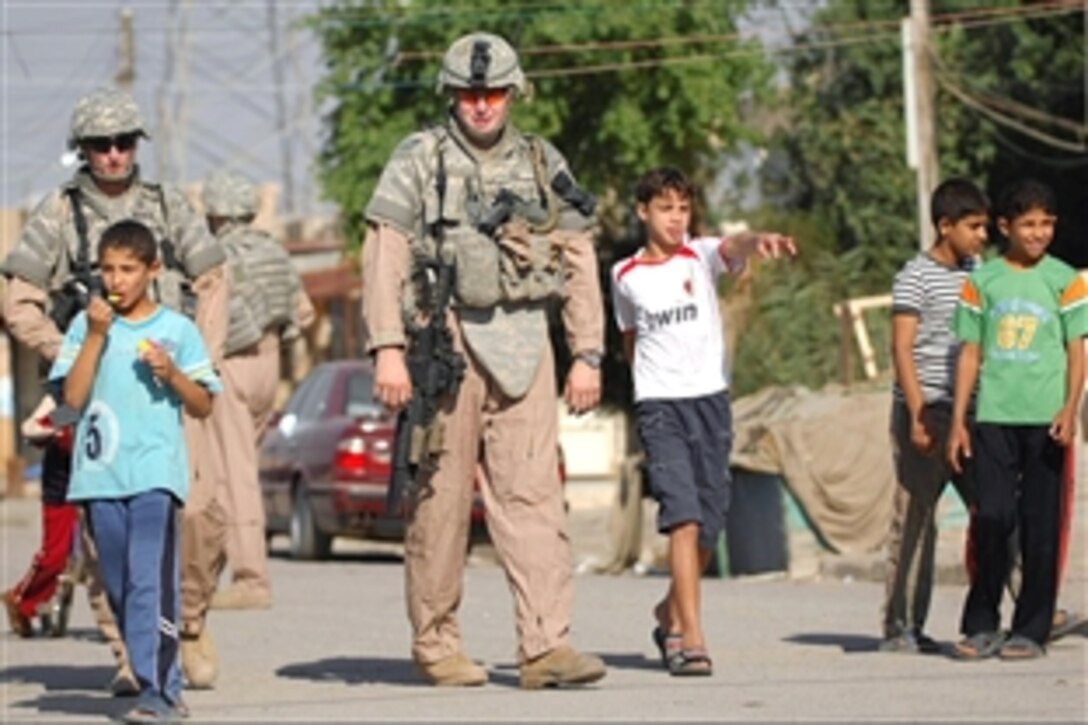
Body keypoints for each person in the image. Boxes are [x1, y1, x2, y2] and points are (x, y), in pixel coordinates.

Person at [362, 32, 607, 688]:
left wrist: (587, 351)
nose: (481, 105)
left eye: (493, 91)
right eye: (470, 93)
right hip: (445, 342)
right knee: (440, 500)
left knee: (533, 497)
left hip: (527, 339)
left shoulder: (541, 160)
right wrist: (388, 346)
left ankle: (546, 645)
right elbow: (385, 251)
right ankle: (438, 644)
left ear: (513, 93)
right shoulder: (419, 158)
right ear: (452, 95)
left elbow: (579, 255)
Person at [0, 86, 228, 692]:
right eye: (101, 145)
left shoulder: (168, 205)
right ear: (84, 150)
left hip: (170, 382)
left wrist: (197, 354)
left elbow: (213, 277)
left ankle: (189, 621)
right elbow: (18, 300)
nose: (113, 155)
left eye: (124, 142)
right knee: (107, 533)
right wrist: (71, 352)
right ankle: (131, 652)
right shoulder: (59, 214)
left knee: (204, 515)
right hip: (99, 395)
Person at [610, 167, 795, 676]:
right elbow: (631, 339)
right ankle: (690, 636)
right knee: (683, 517)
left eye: (683, 208)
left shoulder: (701, 254)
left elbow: (735, 245)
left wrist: (761, 241)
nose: (675, 218)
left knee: (710, 523)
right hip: (660, 407)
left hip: (710, 403)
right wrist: (650, 389)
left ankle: (668, 609)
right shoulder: (624, 275)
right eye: (665, 208)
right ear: (643, 212)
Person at [50, 219, 220, 722]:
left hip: (155, 476)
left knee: (151, 581)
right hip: (99, 476)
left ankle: (160, 691)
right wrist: (96, 336)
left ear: (154, 270)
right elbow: (72, 400)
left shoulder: (176, 330)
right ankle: (150, 671)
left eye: (128, 269)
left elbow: (204, 404)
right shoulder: (86, 326)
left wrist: (172, 375)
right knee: (122, 586)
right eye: (108, 269)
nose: (117, 280)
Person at [948, 179, 1087, 660]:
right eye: (1028, 223)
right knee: (992, 517)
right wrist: (959, 421)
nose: (1039, 232)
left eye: (1047, 223)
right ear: (1005, 226)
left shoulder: (1066, 279)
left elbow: (1076, 349)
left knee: (1040, 525)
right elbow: (970, 352)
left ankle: (1032, 628)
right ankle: (982, 622)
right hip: (993, 418)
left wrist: (1071, 408)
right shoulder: (982, 281)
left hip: (1047, 419)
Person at [880, 178, 989, 653]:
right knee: (917, 516)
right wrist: (919, 412)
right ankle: (902, 625)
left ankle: (1030, 612)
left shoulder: (979, 271)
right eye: (973, 226)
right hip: (924, 408)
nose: (982, 235)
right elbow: (901, 348)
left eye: (984, 226)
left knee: (995, 508)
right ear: (945, 226)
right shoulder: (914, 276)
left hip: (974, 408)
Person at [198, 169, 315, 610]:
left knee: (232, 476)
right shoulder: (275, 252)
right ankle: (221, 570)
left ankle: (250, 580)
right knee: (234, 471)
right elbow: (302, 313)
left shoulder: (217, 255)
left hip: (231, 364)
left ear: (216, 213)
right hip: (270, 364)